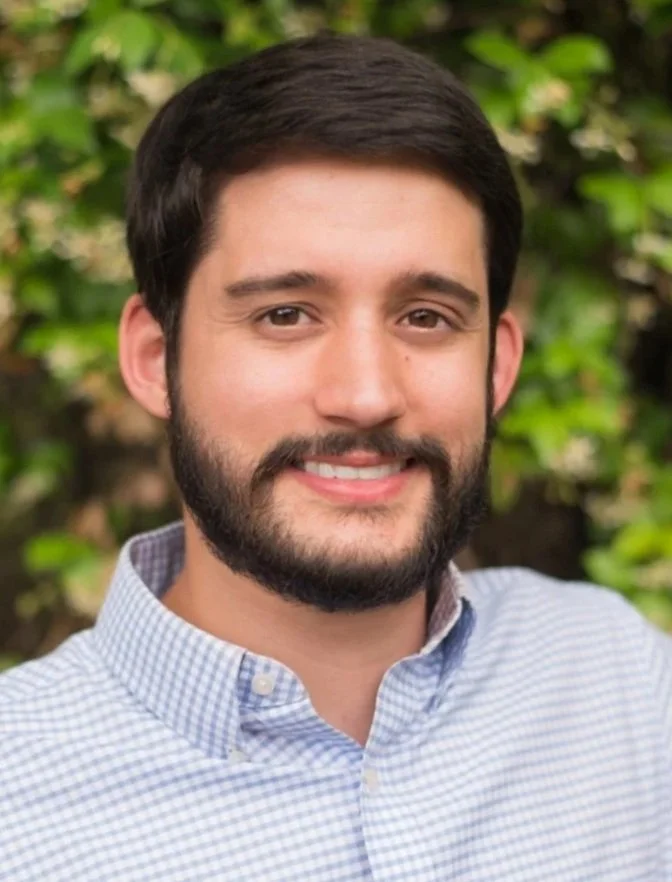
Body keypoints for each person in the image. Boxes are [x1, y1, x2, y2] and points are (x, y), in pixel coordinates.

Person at [1, 31, 670, 882]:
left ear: (497, 365)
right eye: (285, 314)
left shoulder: (617, 679)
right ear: (150, 359)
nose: (364, 394)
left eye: (425, 316)